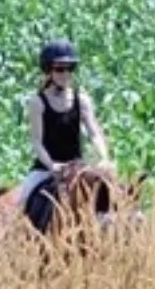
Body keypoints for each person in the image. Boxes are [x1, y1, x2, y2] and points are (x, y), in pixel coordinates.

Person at [13, 40, 114, 213]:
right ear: (49, 70)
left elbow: (95, 134)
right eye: (60, 69)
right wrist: (52, 165)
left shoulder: (82, 100)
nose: (65, 74)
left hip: (77, 167)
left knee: (113, 197)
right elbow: (37, 142)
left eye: (69, 69)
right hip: (46, 169)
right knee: (21, 200)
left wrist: (104, 157)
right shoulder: (38, 102)